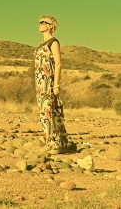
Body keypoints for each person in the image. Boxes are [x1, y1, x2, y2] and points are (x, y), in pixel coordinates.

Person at [34, 15, 68, 154]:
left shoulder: (53, 42)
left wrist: (56, 84)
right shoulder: (42, 43)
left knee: (49, 112)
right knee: (45, 112)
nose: (40, 24)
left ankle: (54, 144)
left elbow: (58, 63)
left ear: (50, 26)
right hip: (40, 83)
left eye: (44, 22)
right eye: (40, 22)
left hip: (48, 82)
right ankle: (56, 142)